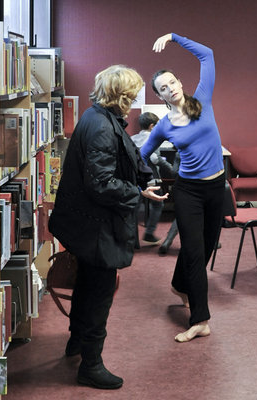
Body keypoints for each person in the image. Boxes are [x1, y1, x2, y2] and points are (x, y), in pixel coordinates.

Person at [48, 65, 168, 389]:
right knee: (99, 293)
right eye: (132, 93)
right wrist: (138, 192)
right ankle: (91, 365)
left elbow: (122, 154)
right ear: (120, 95)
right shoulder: (102, 126)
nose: (135, 99)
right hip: (97, 226)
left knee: (86, 285)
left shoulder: (97, 116)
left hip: (85, 224)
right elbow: (101, 183)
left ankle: (76, 341)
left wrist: (141, 175)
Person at [141, 33, 225, 343]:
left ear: (180, 82)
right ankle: (200, 319)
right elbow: (142, 154)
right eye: (163, 88)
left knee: (203, 249)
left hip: (217, 187)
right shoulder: (163, 125)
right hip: (188, 191)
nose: (170, 89)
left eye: (172, 82)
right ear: (160, 96)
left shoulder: (202, 98)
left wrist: (175, 37)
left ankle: (179, 284)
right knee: (193, 251)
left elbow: (208, 54)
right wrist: (142, 183)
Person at [132, 112, 174, 245]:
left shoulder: (133, 138)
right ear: (152, 126)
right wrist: (171, 168)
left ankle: (133, 240)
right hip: (151, 178)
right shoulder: (153, 138)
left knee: (135, 207)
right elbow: (155, 159)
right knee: (157, 204)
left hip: (135, 179)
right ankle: (149, 233)